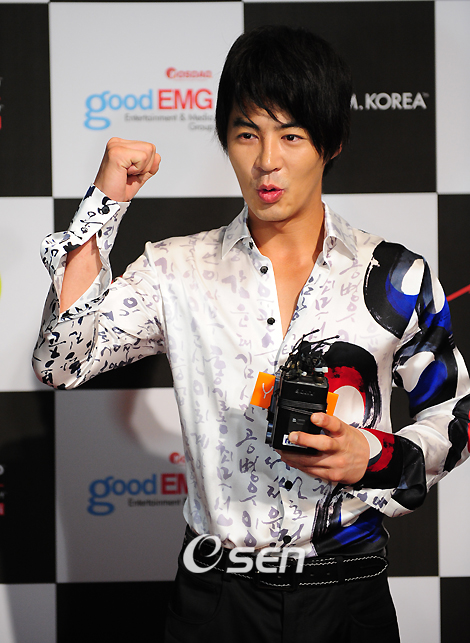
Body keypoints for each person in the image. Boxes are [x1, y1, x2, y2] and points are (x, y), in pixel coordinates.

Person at [33, 26, 470, 643]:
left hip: (348, 593)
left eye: (291, 135)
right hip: (216, 599)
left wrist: (372, 456)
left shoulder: (395, 275)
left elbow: (455, 415)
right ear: (226, 140)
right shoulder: (177, 268)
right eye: (247, 134)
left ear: (330, 143)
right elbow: (60, 361)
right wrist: (104, 202)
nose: (267, 160)